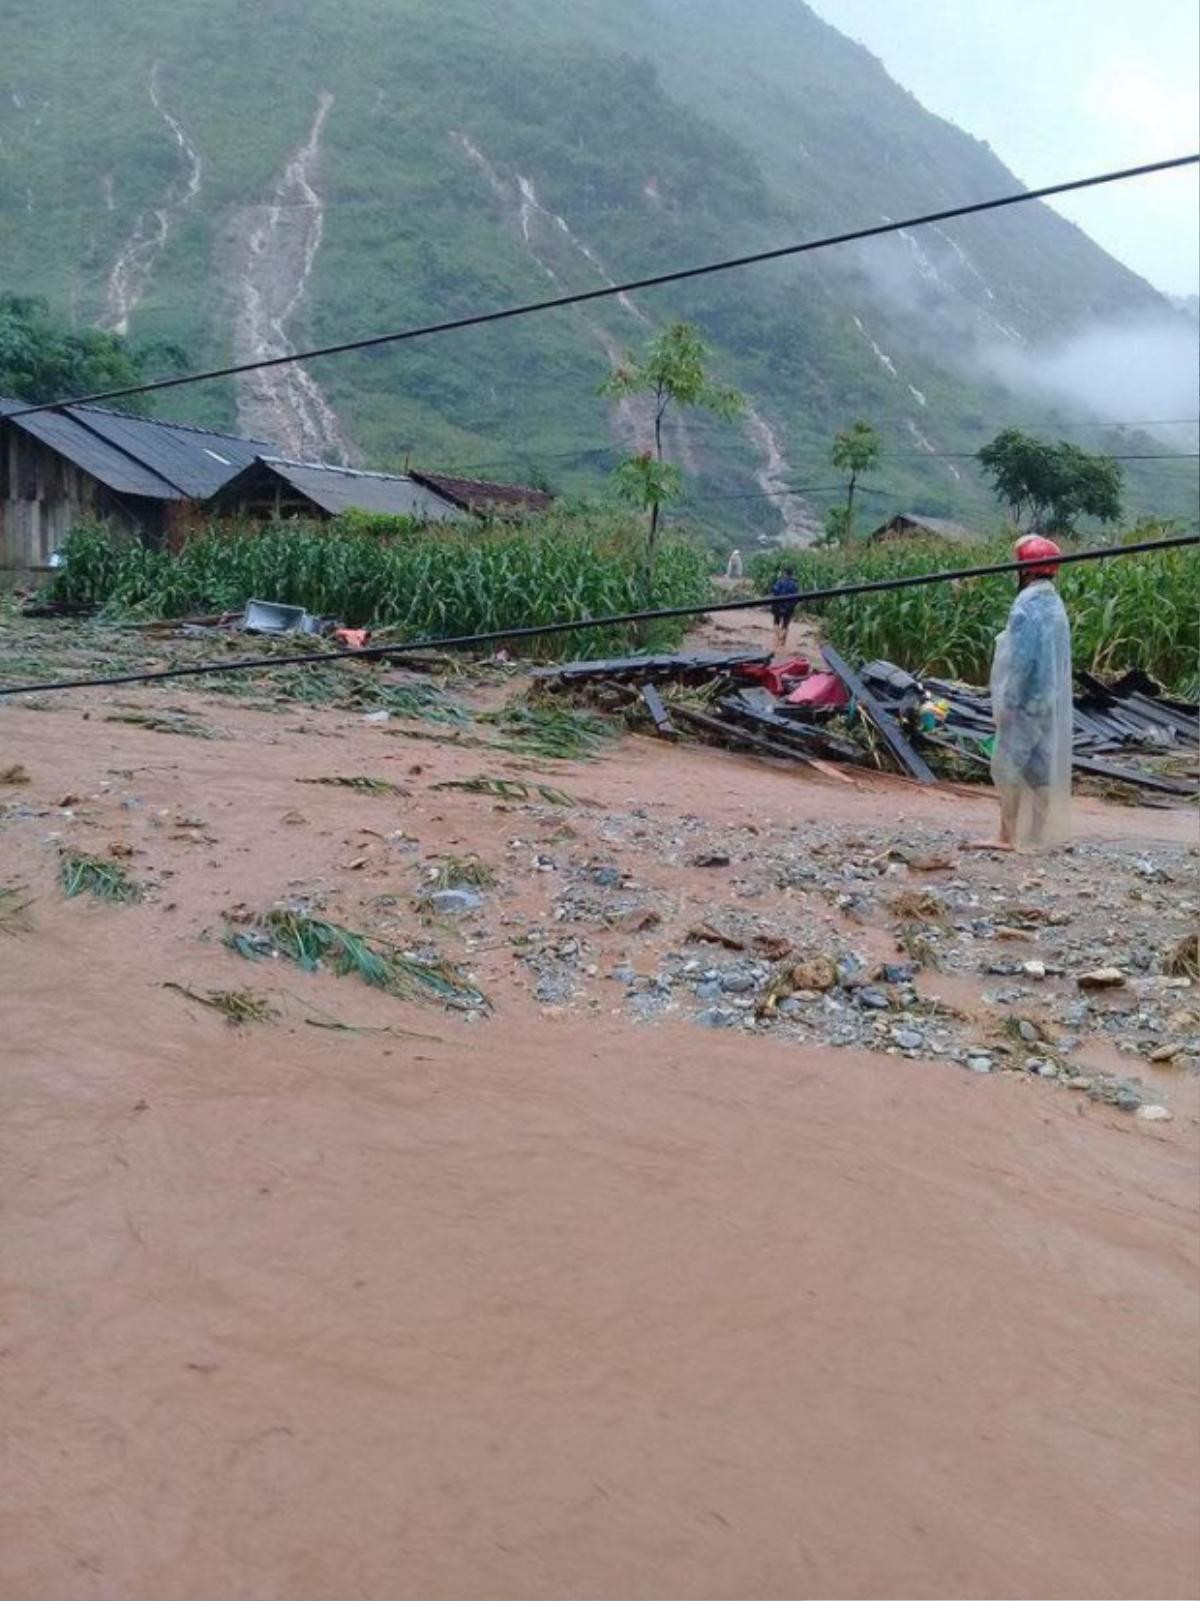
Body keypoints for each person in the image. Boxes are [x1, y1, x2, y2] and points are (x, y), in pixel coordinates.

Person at [976, 534, 1072, 851]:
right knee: (1040, 767)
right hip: (1047, 700)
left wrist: (1007, 700)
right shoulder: (1055, 605)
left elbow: (1020, 660)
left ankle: (1006, 835)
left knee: (1007, 765)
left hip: (1025, 701)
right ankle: (1037, 834)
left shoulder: (1026, 605)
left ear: (1025, 570)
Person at [769, 564, 800, 654]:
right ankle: (782, 643)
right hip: (789, 607)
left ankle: (778, 638)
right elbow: (797, 598)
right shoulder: (795, 584)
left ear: (784, 573)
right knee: (785, 625)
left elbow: (774, 591)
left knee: (776, 622)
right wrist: (793, 606)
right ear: (792, 574)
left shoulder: (779, 582)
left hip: (778, 605)